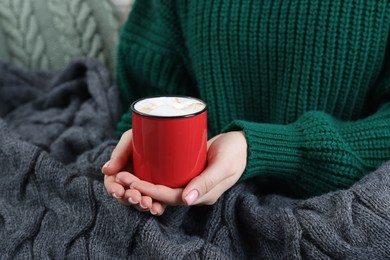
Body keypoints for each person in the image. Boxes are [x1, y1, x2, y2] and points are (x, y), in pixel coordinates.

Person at [102, 0, 390, 216]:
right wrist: (146, 152)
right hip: (194, 207)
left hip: (349, 209)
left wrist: (264, 148)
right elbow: (149, 89)